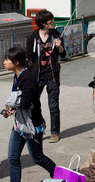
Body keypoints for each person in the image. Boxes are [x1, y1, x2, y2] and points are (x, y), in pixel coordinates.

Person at [2, 47, 56, 182]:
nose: (4, 62)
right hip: (19, 124)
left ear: (17, 62)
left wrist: (12, 101)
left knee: (38, 158)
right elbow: (20, 101)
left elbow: (25, 102)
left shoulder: (29, 78)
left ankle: (59, 176)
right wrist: (11, 110)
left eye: (7, 59)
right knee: (12, 157)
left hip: (32, 125)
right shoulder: (17, 76)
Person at [26, 9, 66, 143]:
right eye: (50, 20)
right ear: (43, 23)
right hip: (36, 77)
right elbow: (29, 57)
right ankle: (38, 128)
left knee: (53, 106)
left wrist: (59, 47)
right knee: (34, 105)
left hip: (52, 76)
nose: (53, 22)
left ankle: (55, 132)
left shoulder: (56, 35)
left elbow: (63, 54)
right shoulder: (33, 37)